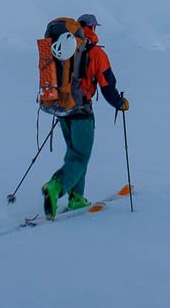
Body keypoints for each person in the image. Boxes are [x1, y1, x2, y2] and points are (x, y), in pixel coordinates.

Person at [42, 13, 128, 219]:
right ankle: (55, 187)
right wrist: (119, 103)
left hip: (61, 109)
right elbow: (107, 86)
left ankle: (76, 198)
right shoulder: (96, 53)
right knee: (80, 157)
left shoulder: (64, 47)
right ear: (92, 28)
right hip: (82, 111)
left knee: (75, 154)